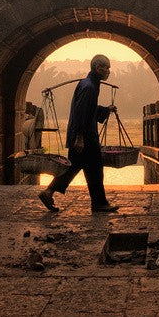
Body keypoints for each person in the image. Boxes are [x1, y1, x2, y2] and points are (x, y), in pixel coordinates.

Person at [38, 54, 119, 213]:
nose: (109, 71)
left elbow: (89, 110)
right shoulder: (89, 87)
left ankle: (49, 192)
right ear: (98, 68)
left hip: (83, 135)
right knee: (94, 169)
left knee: (75, 167)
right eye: (106, 68)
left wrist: (105, 110)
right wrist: (80, 138)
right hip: (85, 137)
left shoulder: (90, 84)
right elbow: (81, 113)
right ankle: (99, 203)